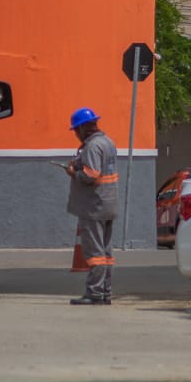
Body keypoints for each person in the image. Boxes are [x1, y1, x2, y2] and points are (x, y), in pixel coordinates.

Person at [64, 105, 118, 305]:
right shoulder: (108, 142)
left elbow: (91, 174)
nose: (76, 134)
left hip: (94, 206)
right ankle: (105, 292)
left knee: (95, 253)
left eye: (76, 130)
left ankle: (94, 293)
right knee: (106, 253)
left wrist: (74, 173)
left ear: (83, 128)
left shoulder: (92, 146)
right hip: (108, 203)